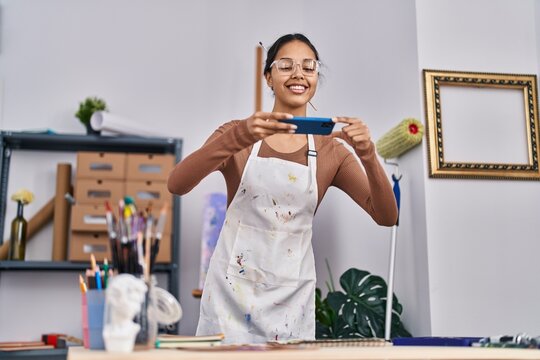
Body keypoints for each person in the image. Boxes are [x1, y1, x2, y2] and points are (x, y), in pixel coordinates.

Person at [167, 33, 398, 344]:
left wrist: (368, 154)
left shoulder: (332, 151)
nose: (298, 74)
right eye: (286, 65)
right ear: (269, 77)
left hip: (291, 301)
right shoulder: (237, 135)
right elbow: (177, 184)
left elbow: (386, 216)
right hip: (230, 297)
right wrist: (237, 137)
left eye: (309, 66)